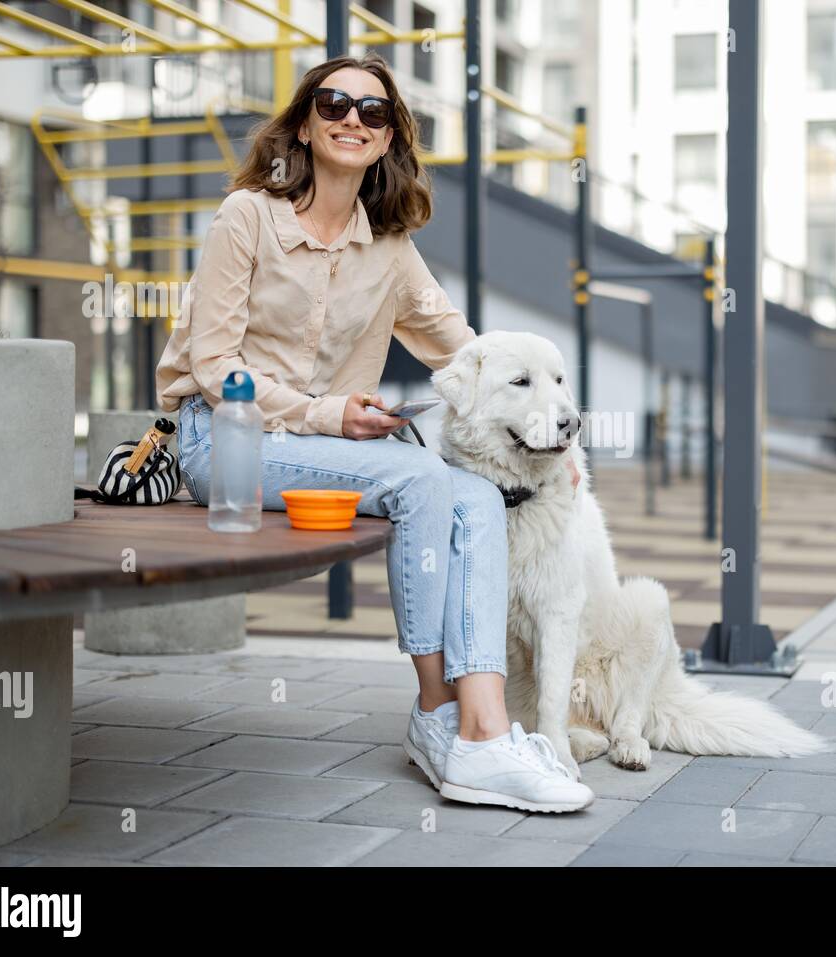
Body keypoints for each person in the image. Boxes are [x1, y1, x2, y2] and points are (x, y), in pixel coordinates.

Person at [155, 53, 592, 814]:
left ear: (389, 138)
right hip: (221, 441)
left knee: (478, 501)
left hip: (332, 456)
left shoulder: (388, 248)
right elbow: (215, 363)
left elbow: (476, 355)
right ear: (304, 121)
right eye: (334, 103)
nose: (353, 118)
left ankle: (477, 729)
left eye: (374, 111)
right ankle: (443, 713)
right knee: (420, 476)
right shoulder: (247, 217)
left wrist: (557, 438)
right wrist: (330, 414)